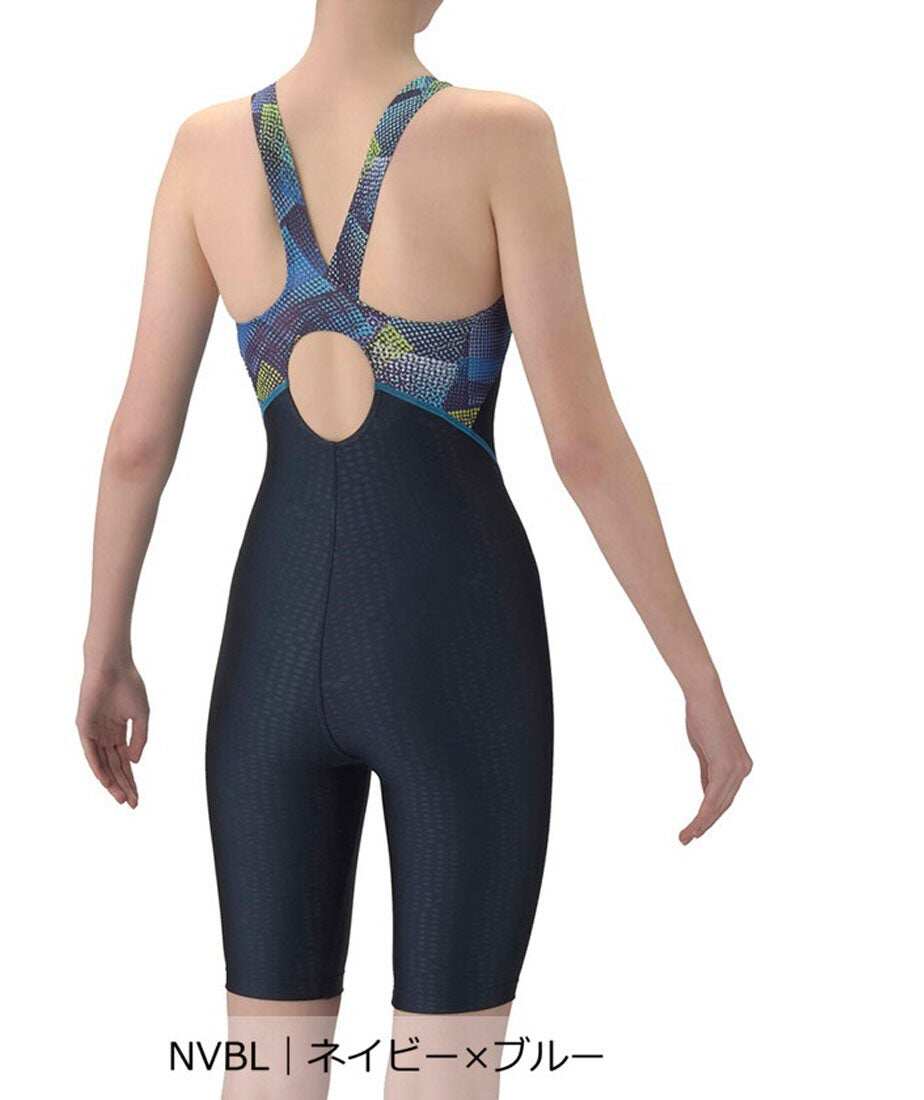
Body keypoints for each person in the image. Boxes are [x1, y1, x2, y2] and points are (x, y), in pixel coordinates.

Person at [75, 1, 753, 1095]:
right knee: (447, 1070)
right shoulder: (502, 135)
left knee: (268, 1068)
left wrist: (103, 649)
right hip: (456, 647)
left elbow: (136, 443)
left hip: (270, 647)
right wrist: (698, 679)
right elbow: (582, 445)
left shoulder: (206, 148)